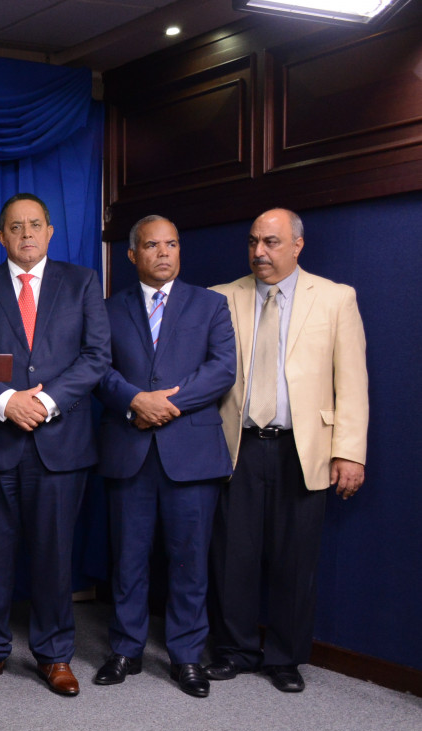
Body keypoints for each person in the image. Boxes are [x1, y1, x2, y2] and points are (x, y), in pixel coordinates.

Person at [0, 193, 110, 696]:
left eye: (35, 225)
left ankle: (55, 654)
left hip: (60, 444)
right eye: (15, 227)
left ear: (50, 232)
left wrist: (45, 402)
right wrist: (6, 401)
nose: (26, 234)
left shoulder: (82, 282)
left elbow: (96, 356)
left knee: (54, 556)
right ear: (1, 236)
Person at [206, 208, 368, 693]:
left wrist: (350, 452)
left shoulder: (336, 298)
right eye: (253, 241)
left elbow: (352, 382)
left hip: (304, 448)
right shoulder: (219, 298)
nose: (259, 252)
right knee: (231, 555)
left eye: (271, 242)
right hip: (236, 445)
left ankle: (284, 657)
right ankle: (233, 650)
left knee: (295, 560)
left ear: (298, 245)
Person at [93, 216, 236, 698]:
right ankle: (125, 650)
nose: (163, 253)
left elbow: (222, 370)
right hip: (128, 449)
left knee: (189, 560)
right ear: (132, 254)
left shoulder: (210, 304)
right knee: (128, 559)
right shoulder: (108, 309)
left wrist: (164, 405)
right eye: (152, 245)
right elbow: (98, 369)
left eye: (171, 244)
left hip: (191, 453)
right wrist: (135, 400)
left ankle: (187, 656)